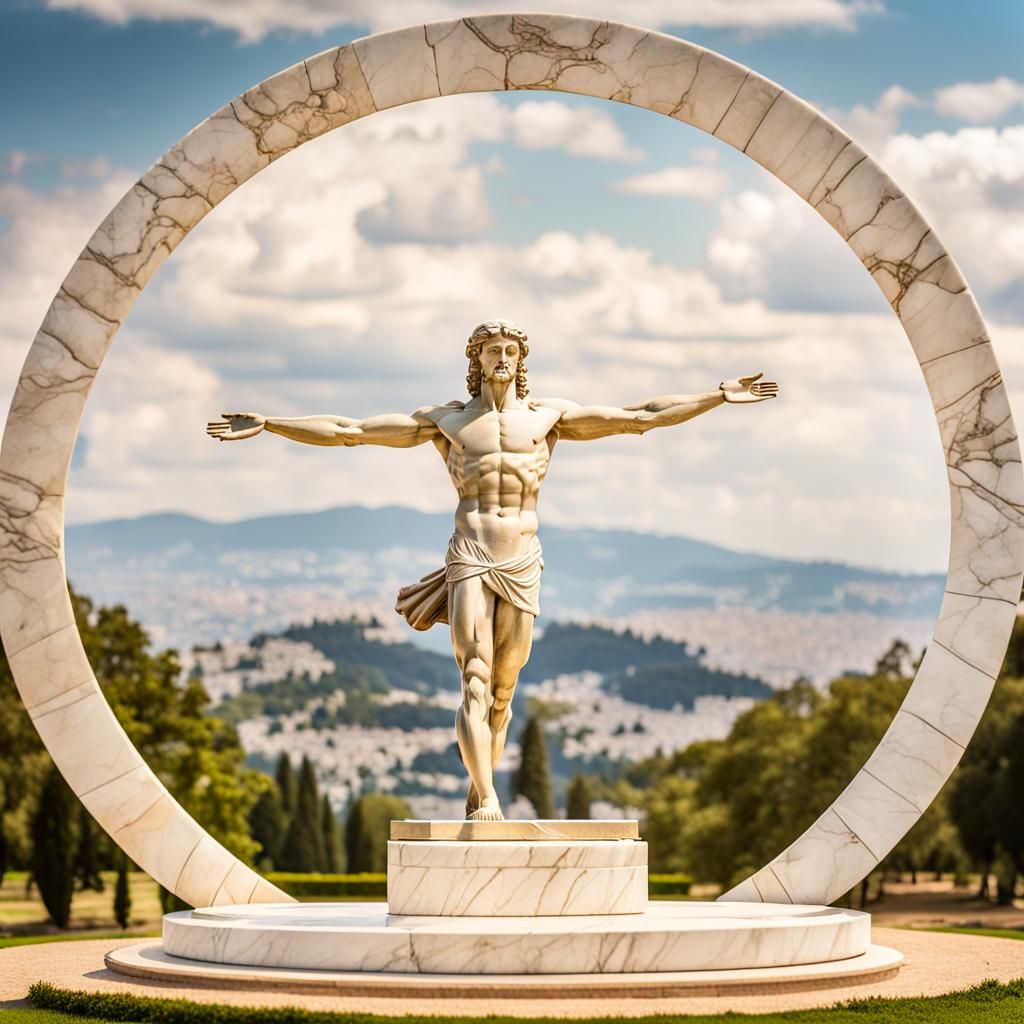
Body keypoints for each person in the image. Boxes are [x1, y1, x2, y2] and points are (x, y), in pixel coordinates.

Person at [208, 318, 778, 819]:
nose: (501, 359)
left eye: (510, 351)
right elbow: (351, 431)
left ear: (521, 361)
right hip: (471, 553)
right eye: (491, 350)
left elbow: (640, 418)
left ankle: (478, 787)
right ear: (474, 360)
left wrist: (717, 396)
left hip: (523, 557)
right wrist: (272, 423)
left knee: (504, 692)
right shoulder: (446, 421)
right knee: (474, 679)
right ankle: (488, 795)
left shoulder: (549, 418)